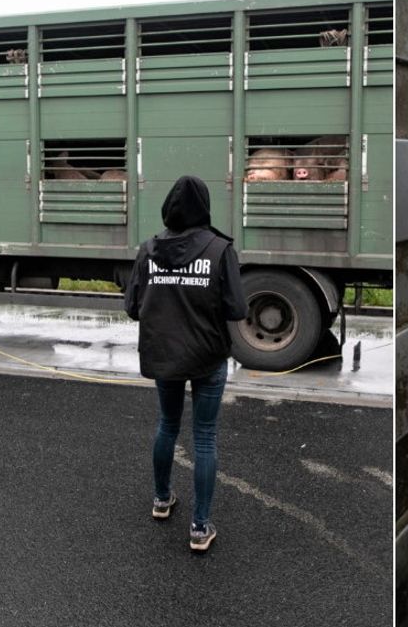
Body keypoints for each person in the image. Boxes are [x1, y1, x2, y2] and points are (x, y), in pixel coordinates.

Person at [124, 175, 247, 552]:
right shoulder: (219, 249)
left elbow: (132, 307)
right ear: (204, 208)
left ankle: (162, 500)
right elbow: (237, 308)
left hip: (165, 356)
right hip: (208, 357)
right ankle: (199, 527)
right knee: (204, 436)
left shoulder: (148, 250)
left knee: (167, 425)